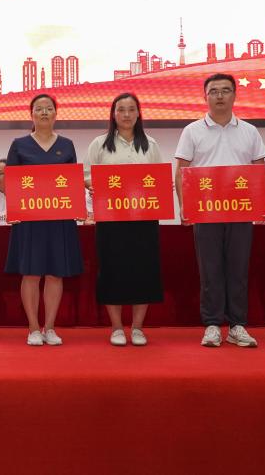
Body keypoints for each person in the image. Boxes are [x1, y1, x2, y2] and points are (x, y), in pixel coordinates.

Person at [175, 73, 265, 348]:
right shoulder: (192, 131)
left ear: (235, 95)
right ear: (205, 97)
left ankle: (238, 325)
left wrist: (262, 204)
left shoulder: (249, 130)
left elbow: (260, 170)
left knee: (238, 269)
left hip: (240, 211)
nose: (219, 96)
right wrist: (184, 206)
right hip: (205, 211)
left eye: (225, 90)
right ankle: (212, 325)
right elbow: (182, 171)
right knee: (210, 270)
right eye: (213, 91)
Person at [4, 95, 83, 346]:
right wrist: (14, 210)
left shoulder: (67, 145)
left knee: (55, 273)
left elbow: (71, 182)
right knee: (31, 273)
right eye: (39, 109)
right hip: (29, 219)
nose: (45, 112)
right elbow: (11, 182)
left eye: (49, 109)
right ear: (32, 115)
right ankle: (33, 328)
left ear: (56, 114)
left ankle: (49, 327)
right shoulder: (19, 145)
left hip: (59, 218)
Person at [86, 93, 163, 347]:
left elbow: (157, 178)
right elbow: (87, 176)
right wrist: (95, 185)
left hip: (143, 219)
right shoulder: (99, 144)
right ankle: (117, 327)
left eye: (131, 109)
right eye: (121, 109)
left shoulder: (150, 144)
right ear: (113, 114)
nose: (127, 114)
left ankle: (138, 327)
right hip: (111, 219)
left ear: (139, 113)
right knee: (112, 270)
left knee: (144, 270)